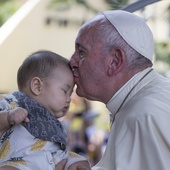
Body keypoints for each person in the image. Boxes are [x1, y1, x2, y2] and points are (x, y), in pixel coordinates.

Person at [57, 9, 170, 170]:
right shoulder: (143, 98)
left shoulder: (144, 114)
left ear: (114, 61)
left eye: (81, 52)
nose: (72, 62)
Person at [0, 50, 90, 170]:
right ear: (37, 86)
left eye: (70, 93)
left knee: (78, 160)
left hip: (50, 159)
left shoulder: (55, 123)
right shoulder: (11, 102)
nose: (69, 99)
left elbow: (58, 151)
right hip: (16, 162)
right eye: (65, 91)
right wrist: (7, 117)